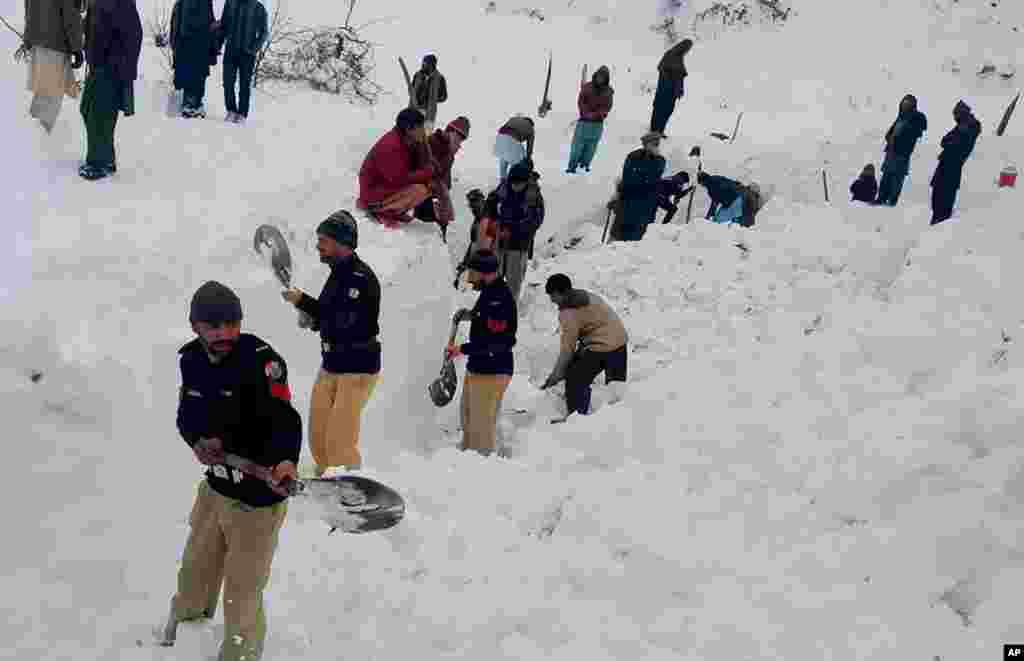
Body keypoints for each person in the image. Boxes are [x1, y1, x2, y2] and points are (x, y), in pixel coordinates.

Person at [165, 280, 301, 661]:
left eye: (232, 324)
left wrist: (287, 459)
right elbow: (186, 415)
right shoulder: (191, 359)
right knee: (194, 573)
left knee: (242, 591)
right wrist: (196, 442)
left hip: (256, 500)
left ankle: (240, 654)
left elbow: (285, 420)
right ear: (196, 327)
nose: (225, 333)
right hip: (216, 490)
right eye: (214, 326)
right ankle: (183, 637)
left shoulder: (262, 362)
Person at [281, 211, 381, 474]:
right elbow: (330, 314)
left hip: (357, 367)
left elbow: (343, 322)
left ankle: (351, 490)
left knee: (339, 442)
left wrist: (304, 303)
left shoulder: (360, 278)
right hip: (331, 364)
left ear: (341, 242)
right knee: (318, 438)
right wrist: (311, 318)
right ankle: (326, 491)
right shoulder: (337, 274)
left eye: (323, 240)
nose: (318, 246)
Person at [447, 250, 517, 456]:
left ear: (483, 272)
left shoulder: (499, 299)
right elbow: (488, 322)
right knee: (469, 420)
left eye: (472, 271)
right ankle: (470, 464)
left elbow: (496, 342)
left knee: (480, 430)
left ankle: (482, 472)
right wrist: (471, 315)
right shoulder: (489, 292)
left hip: (492, 370)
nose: (469, 276)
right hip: (480, 367)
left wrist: (462, 349)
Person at [540, 274, 628, 417]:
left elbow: (567, 350)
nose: (551, 300)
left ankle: (577, 418)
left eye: (552, 295)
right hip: (620, 343)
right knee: (616, 392)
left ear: (560, 293)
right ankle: (615, 422)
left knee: (574, 378)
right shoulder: (586, 296)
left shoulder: (568, 314)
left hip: (601, 348)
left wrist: (555, 377)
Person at [79, 0, 142, 180]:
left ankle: (97, 164)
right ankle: (106, 158)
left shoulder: (121, 3)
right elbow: (94, 25)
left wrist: (116, 63)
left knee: (98, 115)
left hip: (109, 70)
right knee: (87, 109)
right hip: (97, 67)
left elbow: (134, 35)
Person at [357, 107, 435, 227]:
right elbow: (398, 179)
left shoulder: (408, 140)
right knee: (419, 189)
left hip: (384, 187)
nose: (423, 131)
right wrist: (426, 173)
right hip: (372, 193)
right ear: (409, 129)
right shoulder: (392, 145)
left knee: (427, 185)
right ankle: (380, 211)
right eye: (420, 127)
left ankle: (393, 211)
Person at [484, 160, 545, 302]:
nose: (515, 186)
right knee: (494, 276)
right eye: (513, 183)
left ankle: (510, 307)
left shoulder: (533, 195)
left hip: (519, 244)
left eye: (519, 183)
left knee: (514, 279)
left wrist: (512, 229)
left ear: (525, 182)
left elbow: (535, 221)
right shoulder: (504, 188)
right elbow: (490, 204)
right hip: (500, 241)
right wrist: (492, 222)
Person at [23, 0, 84, 134]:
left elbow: (28, 7)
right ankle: (40, 142)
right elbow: (70, 15)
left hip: (37, 41)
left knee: (43, 93)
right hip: (55, 44)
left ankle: (34, 138)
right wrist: (77, 47)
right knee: (50, 98)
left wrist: (27, 38)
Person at [412, 116, 471, 236]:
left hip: (437, 193)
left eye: (461, 140)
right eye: (458, 138)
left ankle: (438, 243)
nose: (459, 143)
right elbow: (422, 166)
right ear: (451, 132)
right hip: (424, 191)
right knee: (424, 225)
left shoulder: (450, 154)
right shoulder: (432, 142)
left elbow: (445, 177)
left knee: (440, 223)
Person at [930, 100, 982, 225]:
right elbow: (944, 140)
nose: (954, 117)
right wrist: (951, 142)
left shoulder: (972, 125)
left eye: (956, 114)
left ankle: (941, 219)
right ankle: (937, 217)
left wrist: (951, 142)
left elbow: (959, 144)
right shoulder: (960, 125)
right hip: (945, 161)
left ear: (961, 113)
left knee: (946, 192)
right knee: (937, 190)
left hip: (954, 163)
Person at [217, 0, 268, 123]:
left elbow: (264, 32)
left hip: (247, 53)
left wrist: (254, 48)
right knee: (228, 82)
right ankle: (231, 110)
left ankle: (242, 114)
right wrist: (218, 44)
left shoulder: (258, 7)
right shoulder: (230, 3)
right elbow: (223, 26)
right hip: (231, 50)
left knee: (244, 85)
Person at [876, 94, 927, 206]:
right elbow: (890, 132)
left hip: (902, 152)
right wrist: (890, 137)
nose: (904, 106)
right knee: (886, 174)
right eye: (903, 104)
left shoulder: (916, 118)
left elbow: (918, 130)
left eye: (907, 104)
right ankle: (881, 198)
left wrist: (903, 137)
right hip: (891, 150)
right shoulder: (901, 117)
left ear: (912, 105)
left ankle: (892, 200)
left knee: (897, 176)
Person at [170, 0, 217, 118]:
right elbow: (176, 25)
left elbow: (210, 24)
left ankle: (195, 104)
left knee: (197, 76)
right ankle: (190, 104)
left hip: (197, 46)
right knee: (191, 75)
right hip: (189, 45)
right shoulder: (181, 4)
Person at [616, 132, 666, 241]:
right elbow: (629, 176)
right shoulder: (633, 156)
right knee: (624, 229)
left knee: (640, 231)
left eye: (657, 143)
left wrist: (641, 174)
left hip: (647, 201)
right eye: (654, 143)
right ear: (646, 144)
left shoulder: (659, 159)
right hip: (630, 198)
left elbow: (654, 177)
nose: (656, 146)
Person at [567, 65, 614, 173]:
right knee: (576, 148)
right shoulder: (587, 87)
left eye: (603, 77)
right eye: (599, 76)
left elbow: (607, 107)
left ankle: (584, 166)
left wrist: (597, 114)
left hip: (597, 125)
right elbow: (581, 101)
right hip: (584, 122)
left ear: (606, 78)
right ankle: (572, 167)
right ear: (595, 75)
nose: (600, 79)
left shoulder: (609, 92)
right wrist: (586, 113)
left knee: (590, 149)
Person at [650, 38, 692, 137]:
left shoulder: (680, 58)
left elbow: (679, 76)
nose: (687, 51)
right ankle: (655, 130)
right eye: (687, 48)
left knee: (668, 110)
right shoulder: (671, 55)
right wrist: (669, 81)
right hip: (665, 89)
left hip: (671, 91)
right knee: (660, 109)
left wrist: (680, 89)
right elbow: (662, 68)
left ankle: (660, 130)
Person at [409, 54, 447, 131]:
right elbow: (411, 90)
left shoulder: (440, 78)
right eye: (423, 62)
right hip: (414, 109)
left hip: (429, 113)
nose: (423, 65)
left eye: (425, 63)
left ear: (432, 65)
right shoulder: (417, 75)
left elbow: (444, 96)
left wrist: (433, 99)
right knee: (409, 133)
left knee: (426, 135)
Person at [494, 115, 535, 183]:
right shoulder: (531, 128)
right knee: (518, 160)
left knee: (504, 157)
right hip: (513, 137)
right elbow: (529, 148)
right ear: (531, 124)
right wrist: (528, 159)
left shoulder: (514, 118)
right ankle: (513, 180)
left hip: (500, 136)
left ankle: (503, 180)